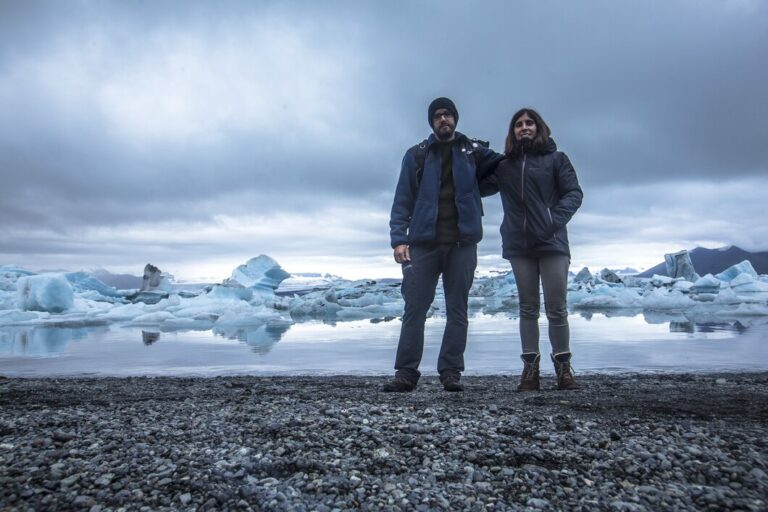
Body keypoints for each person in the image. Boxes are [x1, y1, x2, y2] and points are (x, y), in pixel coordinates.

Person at [384, 97, 503, 392]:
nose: (443, 119)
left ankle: (451, 371)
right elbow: (403, 199)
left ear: (456, 119)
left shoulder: (473, 153)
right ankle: (406, 373)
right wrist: (398, 238)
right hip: (423, 245)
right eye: (438, 116)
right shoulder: (417, 155)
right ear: (431, 122)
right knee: (415, 307)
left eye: (448, 114)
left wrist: (478, 190)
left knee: (457, 309)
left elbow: (505, 168)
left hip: (462, 245)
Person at [480, 108, 583, 391]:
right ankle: (530, 371)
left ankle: (563, 370)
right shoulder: (504, 167)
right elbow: (476, 187)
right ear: (512, 132)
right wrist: (475, 157)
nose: (524, 127)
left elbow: (574, 193)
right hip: (519, 245)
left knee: (557, 308)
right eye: (518, 124)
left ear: (539, 128)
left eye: (529, 123)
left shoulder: (556, 160)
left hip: (552, 243)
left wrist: (553, 219)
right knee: (527, 308)